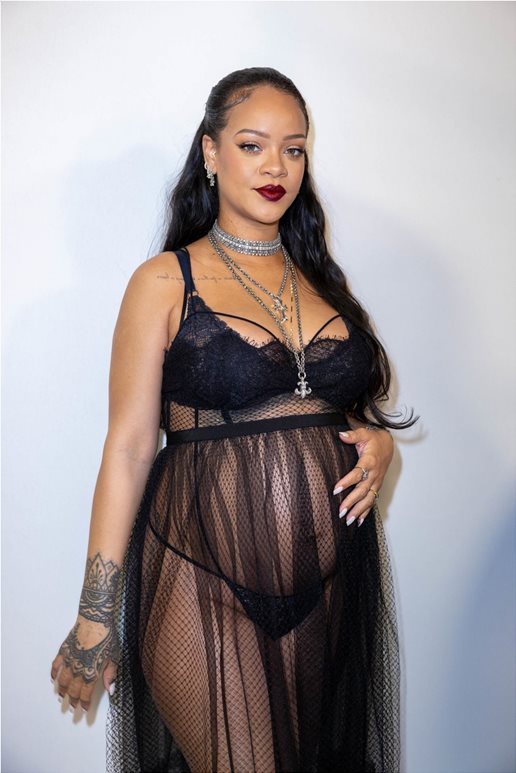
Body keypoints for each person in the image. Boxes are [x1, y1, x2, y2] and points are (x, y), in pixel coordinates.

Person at [51, 67, 416, 773]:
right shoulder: (165, 281)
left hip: (331, 584)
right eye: (253, 145)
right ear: (211, 153)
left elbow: (333, 413)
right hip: (201, 582)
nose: (276, 166)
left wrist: (379, 445)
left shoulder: (322, 282)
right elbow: (129, 447)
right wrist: (96, 612)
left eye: (294, 148)